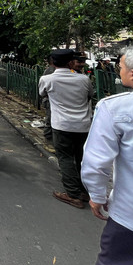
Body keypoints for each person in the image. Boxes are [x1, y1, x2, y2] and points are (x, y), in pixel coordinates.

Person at [82, 47, 133, 265]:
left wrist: (97, 195)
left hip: (129, 217)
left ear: (132, 73)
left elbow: (97, 161)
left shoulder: (116, 108)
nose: (118, 71)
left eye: (120, 67)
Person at [39, 49, 93, 209]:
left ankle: (73, 194)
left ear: (52, 63)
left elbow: (42, 94)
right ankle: (84, 191)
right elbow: (89, 96)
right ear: (71, 62)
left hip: (61, 125)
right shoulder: (84, 79)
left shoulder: (47, 79)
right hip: (83, 125)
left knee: (65, 158)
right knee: (81, 157)